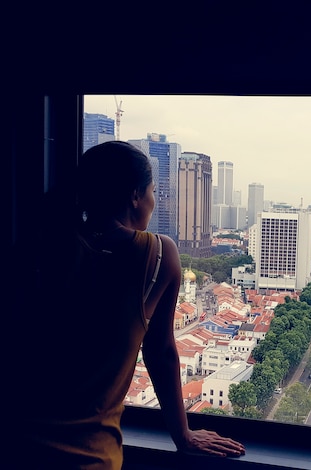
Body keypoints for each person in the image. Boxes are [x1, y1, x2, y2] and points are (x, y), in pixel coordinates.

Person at [6, 141, 245, 469]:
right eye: (152, 192)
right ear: (135, 195)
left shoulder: (41, 244)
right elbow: (160, 352)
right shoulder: (156, 255)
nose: (154, 201)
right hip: (89, 457)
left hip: (14, 444)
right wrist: (183, 435)